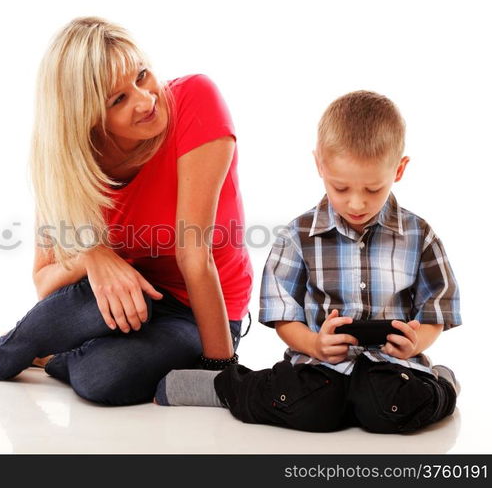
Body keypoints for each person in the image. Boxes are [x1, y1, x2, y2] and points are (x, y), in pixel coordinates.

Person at [0, 17, 253, 406]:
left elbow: (194, 254)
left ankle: (38, 354)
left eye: (142, 75)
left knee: (101, 379)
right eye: (118, 100)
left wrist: (221, 370)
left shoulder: (195, 101)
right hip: (115, 305)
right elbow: (45, 284)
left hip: (200, 309)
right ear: (87, 117)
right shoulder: (70, 165)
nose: (145, 100)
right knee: (89, 302)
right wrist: (93, 256)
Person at [155, 90, 461, 433]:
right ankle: (224, 386)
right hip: (319, 367)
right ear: (320, 165)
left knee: (392, 411)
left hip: (391, 367)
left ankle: (442, 384)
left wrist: (416, 342)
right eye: (341, 188)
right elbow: (284, 317)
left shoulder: (420, 235)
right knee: (307, 409)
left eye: (373, 189)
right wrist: (315, 343)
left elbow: (436, 313)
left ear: (399, 169)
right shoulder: (296, 237)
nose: (356, 203)